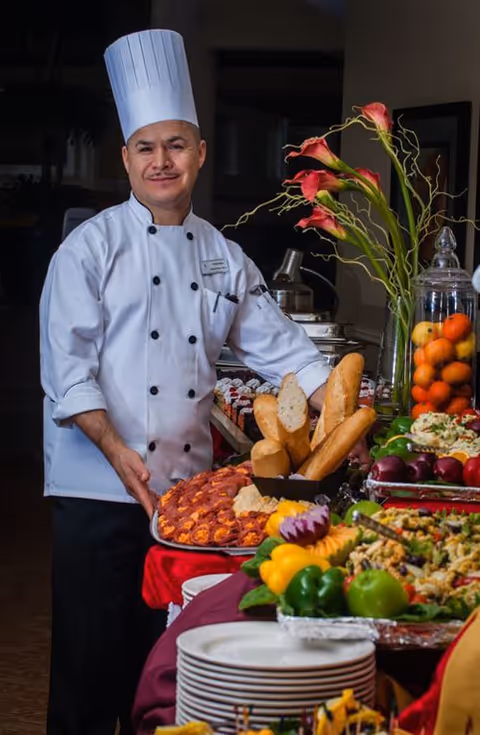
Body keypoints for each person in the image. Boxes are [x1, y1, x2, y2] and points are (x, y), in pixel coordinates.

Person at [39, 28, 355, 735]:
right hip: (96, 495)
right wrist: (119, 451)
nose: (162, 161)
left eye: (176, 144)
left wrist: (354, 408)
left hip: (185, 507)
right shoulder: (87, 251)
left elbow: (290, 357)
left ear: (200, 152)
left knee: (169, 680)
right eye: (146, 147)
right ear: (126, 157)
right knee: (88, 683)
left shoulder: (224, 257)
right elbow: (69, 376)